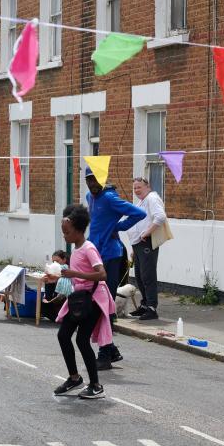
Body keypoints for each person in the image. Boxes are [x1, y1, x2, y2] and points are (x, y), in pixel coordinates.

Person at [84, 166, 146, 370]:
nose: (91, 184)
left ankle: (105, 353)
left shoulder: (110, 198)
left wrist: (117, 227)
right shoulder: (89, 197)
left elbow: (139, 213)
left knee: (104, 303)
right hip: (96, 253)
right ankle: (110, 350)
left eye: (94, 180)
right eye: (88, 180)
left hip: (110, 256)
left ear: (102, 179)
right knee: (100, 302)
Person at [53, 204, 115, 400]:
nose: (64, 235)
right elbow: (76, 279)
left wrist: (74, 273)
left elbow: (102, 274)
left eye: (67, 232)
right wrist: (59, 282)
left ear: (78, 230)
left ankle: (96, 385)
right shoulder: (76, 249)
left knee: (81, 339)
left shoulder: (89, 248)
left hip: (94, 300)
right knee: (63, 335)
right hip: (79, 299)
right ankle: (74, 378)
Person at [127, 177, 168, 321]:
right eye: (135, 188)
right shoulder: (142, 201)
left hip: (147, 243)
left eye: (139, 187)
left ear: (147, 187)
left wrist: (147, 232)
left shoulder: (152, 198)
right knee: (139, 276)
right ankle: (145, 305)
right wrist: (134, 248)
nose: (136, 190)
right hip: (138, 245)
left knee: (147, 275)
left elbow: (160, 217)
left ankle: (152, 308)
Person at [42, 250, 74, 322]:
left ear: (64, 260)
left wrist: (54, 278)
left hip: (65, 297)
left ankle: (60, 316)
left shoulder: (68, 269)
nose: (55, 263)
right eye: (53, 262)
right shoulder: (57, 270)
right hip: (56, 298)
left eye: (57, 261)